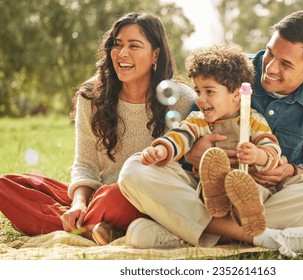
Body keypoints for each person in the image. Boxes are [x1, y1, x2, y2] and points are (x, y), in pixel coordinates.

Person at [118, 10, 303, 258]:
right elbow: (190, 127)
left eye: (286, 64)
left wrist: (287, 170)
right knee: (134, 170)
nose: (271, 67)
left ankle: (182, 231)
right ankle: (273, 238)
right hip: (206, 191)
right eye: (270, 53)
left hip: (269, 195)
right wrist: (191, 153)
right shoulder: (229, 70)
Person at [0, 12, 195, 245]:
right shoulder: (92, 96)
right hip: (99, 195)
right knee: (6, 186)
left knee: (111, 197)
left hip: (147, 199)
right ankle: (95, 226)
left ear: (155, 54)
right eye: (117, 44)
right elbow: (85, 164)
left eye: (134, 46)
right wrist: (78, 203)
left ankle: (76, 225)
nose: (122, 53)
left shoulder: (180, 98)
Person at [139, 43, 282, 237]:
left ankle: (246, 214)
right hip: (207, 190)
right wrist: (163, 149)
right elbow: (181, 136)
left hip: (251, 184)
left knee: (250, 189)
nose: (200, 99)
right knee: (199, 182)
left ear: (236, 94)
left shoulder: (253, 121)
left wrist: (258, 155)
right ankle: (217, 199)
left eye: (209, 91)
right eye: (198, 91)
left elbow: (271, 147)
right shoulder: (198, 121)